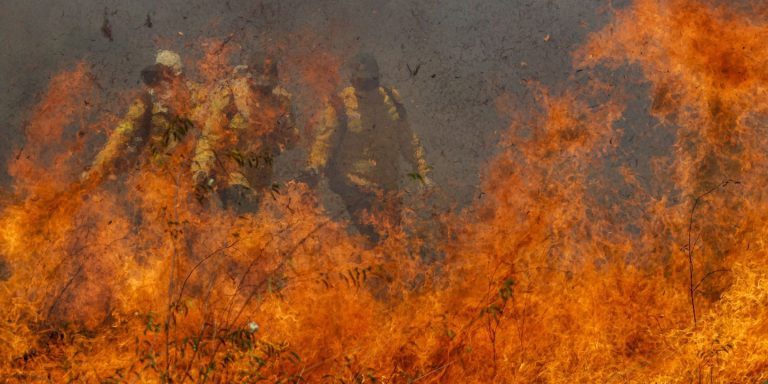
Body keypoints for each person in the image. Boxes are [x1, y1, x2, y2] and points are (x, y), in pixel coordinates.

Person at [307, 53, 432, 242]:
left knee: (391, 243)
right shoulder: (340, 105)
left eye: (369, 81)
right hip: (355, 188)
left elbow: (408, 139)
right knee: (374, 237)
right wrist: (315, 166)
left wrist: (423, 171)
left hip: (388, 189)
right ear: (352, 79)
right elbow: (324, 143)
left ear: (377, 78)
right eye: (360, 81)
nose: (365, 85)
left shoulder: (391, 99)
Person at [192, 53, 297, 213]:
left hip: (261, 177)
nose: (263, 93)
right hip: (231, 173)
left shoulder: (280, 102)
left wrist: (284, 131)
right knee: (243, 209)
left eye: (268, 88)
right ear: (250, 78)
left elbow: (291, 143)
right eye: (261, 87)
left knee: (251, 227)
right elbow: (209, 138)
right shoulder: (232, 98)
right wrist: (202, 170)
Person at [81, 50, 198, 184]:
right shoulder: (148, 100)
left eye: (170, 77)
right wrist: (98, 166)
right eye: (160, 78)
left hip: (190, 174)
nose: (163, 84)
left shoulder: (197, 97)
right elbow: (123, 132)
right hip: (158, 178)